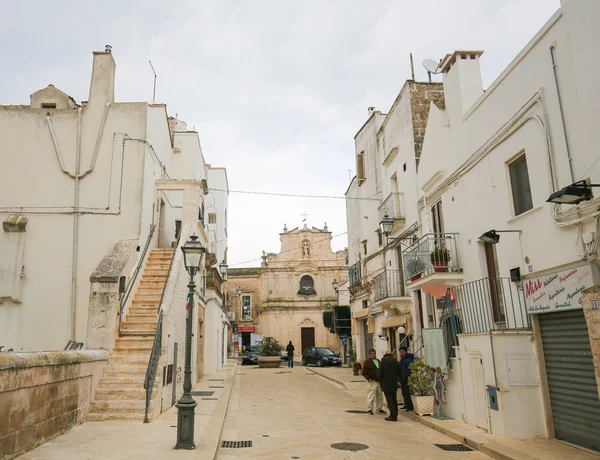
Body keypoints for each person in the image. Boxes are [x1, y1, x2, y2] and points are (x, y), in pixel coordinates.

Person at [378, 350, 402, 421]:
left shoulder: (383, 362)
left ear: (385, 355)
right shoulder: (395, 361)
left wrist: (379, 379)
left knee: (389, 400)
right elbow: (399, 371)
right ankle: (395, 414)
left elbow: (380, 373)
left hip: (385, 384)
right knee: (394, 399)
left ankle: (393, 416)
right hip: (393, 383)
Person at [361, 349, 385, 415]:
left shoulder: (378, 361)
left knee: (380, 396)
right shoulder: (367, 362)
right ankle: (369, 408)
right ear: (369, 355)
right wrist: (368, 379)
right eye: (372, 353)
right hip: (372, 381)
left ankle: (379, 409)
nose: (373, 354)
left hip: (379, 381)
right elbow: (364, 372)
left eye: (374, 353)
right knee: (371, 395)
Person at [399, 346, 415, 412]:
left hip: (407, 379)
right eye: (401, 352)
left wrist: (408, 377)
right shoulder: (402, 359)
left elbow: (410, 369)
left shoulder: (408, 360)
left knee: (408, 393)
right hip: (402, 379)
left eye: (403, 352)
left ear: (406, 352)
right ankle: (406, 405)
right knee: (404, 393)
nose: (402, 353)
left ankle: (410, 406)